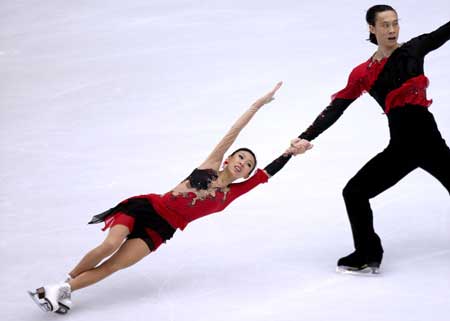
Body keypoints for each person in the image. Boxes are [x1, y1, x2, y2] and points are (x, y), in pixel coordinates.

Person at [28, 82, 313, 313]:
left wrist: (290, 152)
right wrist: (256, 106)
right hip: (147, 207)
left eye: (248, 164)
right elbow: (234, 131)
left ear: (247, 174)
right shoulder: (210, 165)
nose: (242, 162)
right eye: (239, 156)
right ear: (228, 159)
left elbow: (269, 173)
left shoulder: (232, 193)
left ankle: (64, 290)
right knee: (110, 245)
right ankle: (61, 285)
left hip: (162, 230)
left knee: (115, 265)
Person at [291, 5, 450, 274]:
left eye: (395, 23)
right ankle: (367, 253)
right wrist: (306, 137)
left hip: (427, 139)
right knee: (354, 192)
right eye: (385, 25)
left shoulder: (412, 50)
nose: (392, 30)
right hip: (400, 147)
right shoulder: (363, 73)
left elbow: (443, 32)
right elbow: (336, 107)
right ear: (372, 28)